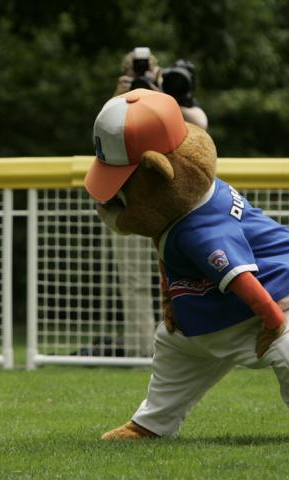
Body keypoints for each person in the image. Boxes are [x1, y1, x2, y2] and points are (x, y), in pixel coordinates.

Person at [110, 48, 208, 357]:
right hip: (133, 205)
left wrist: (162, 95)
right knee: (136, 283)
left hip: (175, 208)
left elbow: (200, 123)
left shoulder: (169, 103)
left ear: (159, 73)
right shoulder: (115, 108)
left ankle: (194, 343)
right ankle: (144, 351)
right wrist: (118, 99)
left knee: (189, 275)